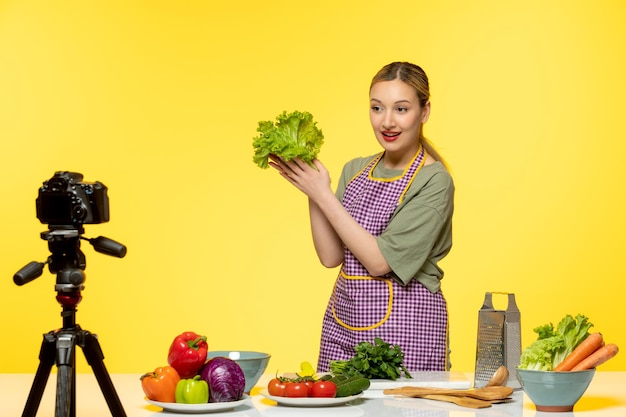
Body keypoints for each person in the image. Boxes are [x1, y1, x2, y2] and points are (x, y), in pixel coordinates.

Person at [269, 62, 454, 372]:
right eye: (377, 108)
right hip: (345, 324)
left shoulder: (434, 181)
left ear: (424, 112)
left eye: (401, 109)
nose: (388, 121)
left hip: (408, 331)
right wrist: (314, 190)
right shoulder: (355, 170)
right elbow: (330, 257)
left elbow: (380, 262)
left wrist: (324, 194)